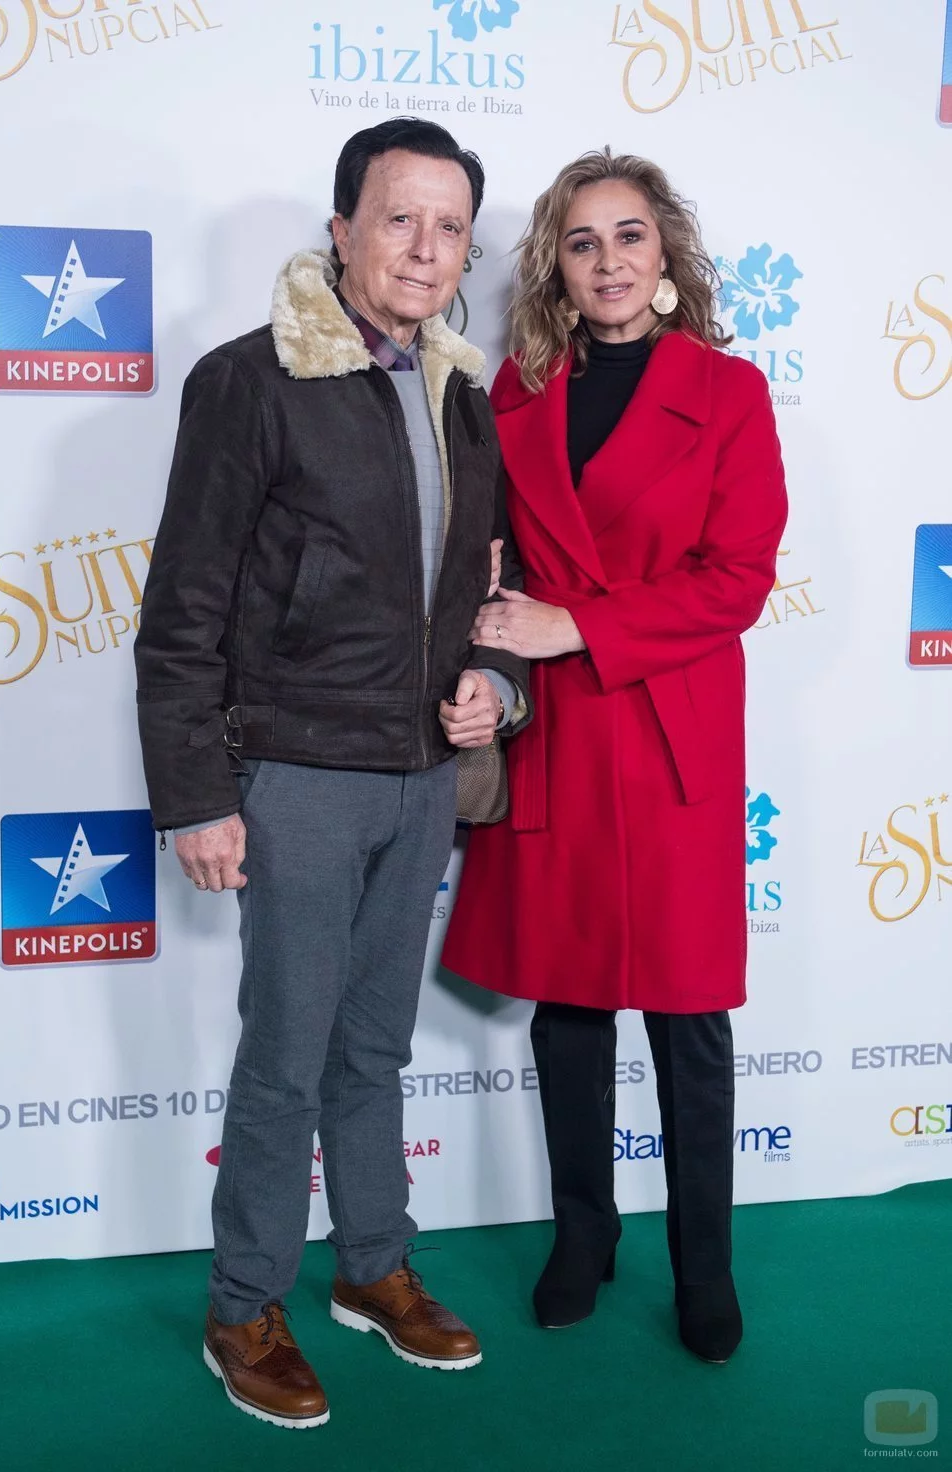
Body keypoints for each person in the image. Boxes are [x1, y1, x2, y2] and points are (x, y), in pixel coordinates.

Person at [134, 117, 530, 1430]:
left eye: (450, 227)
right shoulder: (250, 380)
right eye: (398, 217)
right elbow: (183, 609)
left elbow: (488, 591)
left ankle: (371, 1265)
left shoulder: (462, 395)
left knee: (373, 1044)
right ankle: (244, 1302)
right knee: (288, 1053)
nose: (424, 248)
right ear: (343, 228)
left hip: (419, 775)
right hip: (295, 771)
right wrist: (197, 793)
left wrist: (495, 683)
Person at [441, 148, 787, 1364]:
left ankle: (705, 1262)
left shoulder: (727, 392)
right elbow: (484, 551)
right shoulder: (515, 392)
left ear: (664, 251)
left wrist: (578, 624)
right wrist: (497, 620)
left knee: (688, 1015)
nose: (607, 262)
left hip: (669, 728)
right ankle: (581, 1232)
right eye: (581, 242)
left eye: (627, 235)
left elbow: (736, 579)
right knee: (570, 995)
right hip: (560, 735)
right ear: (555, 265)